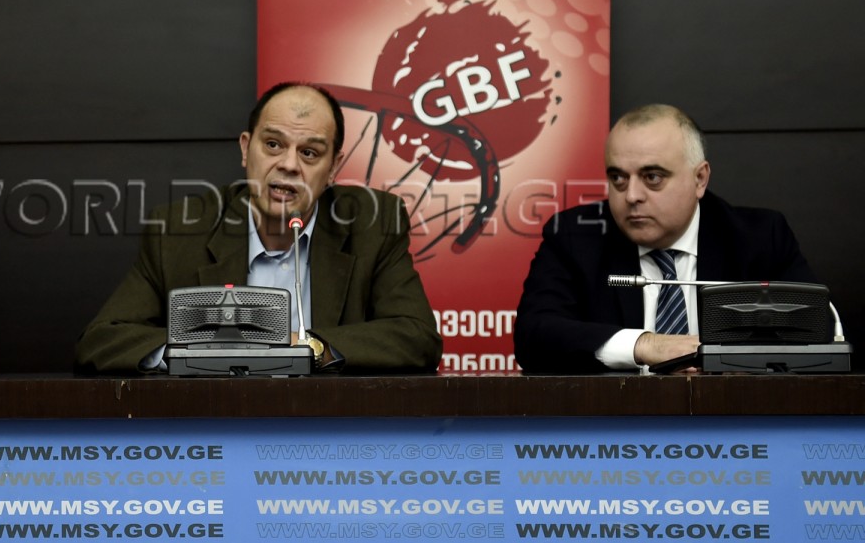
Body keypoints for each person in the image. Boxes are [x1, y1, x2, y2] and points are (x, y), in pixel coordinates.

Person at [75, 82, 442, 373]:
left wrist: (309, 347)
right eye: (273, 144)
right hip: (217, 427)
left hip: (329, 427)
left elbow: (417, 338)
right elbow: (102, 340)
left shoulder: (373, 223)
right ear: (246, 149)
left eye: (309, 153)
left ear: (333, 168)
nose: (289, 165)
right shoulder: (179, 230)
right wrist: (197, 352)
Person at [514, 104, 819, 374]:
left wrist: (738, 364)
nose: (631, 196)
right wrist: (645, 345)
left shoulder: (758, 237)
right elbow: (534, 337)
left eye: (653, 177)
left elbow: (814, 332)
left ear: (699, 178)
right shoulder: (575, 235)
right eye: (618, 178)